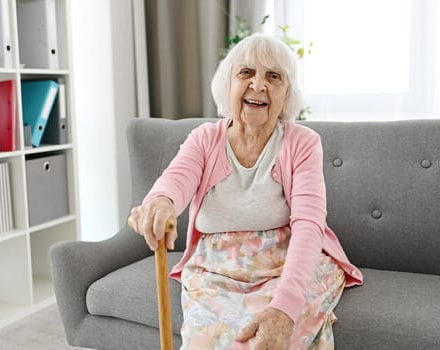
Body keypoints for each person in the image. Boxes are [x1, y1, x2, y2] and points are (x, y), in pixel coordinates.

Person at [127, 33, 363, 349]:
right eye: (246, 72)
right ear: (229, 83)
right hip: (216, 267)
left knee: (274, 340)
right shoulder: (204, 139)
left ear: (287, 93)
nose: (258, 85)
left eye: (273, 76)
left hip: (288, 261)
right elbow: (174, 181)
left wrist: (285, 308)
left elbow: (309, 226)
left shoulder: (303, 143)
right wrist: (160, 203)